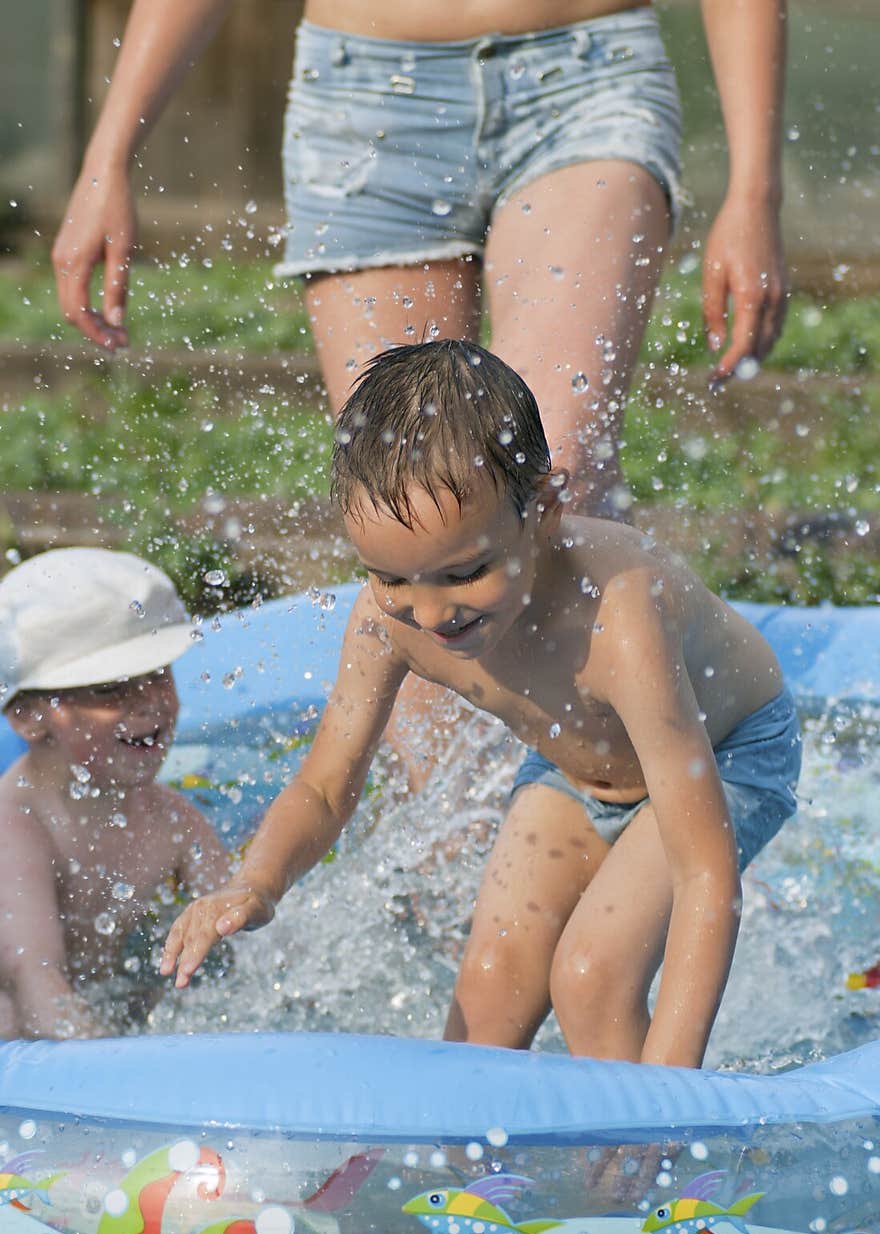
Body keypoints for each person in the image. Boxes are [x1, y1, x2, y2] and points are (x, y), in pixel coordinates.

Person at [50, 1, 788, 785]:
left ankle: (638, 817)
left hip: (585, 77)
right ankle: (444, 865)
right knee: (410, 508)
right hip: (363, 98)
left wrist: (755, 191)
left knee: (548, 467)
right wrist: (108, 159)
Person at [160, 339, 801, 1071]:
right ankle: (466, 1174)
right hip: (577, 763)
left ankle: (642, 1162)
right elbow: (324, 784)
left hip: (727, 752)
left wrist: (673, 1097)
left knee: (590, 976)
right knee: (492, 988)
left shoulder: (617, 621)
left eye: (467, 571)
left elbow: (702, 872)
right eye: (391, 577)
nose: (431, 613)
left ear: (546, 511)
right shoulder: (387, 621)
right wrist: (255, 882)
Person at [0, 547, 231, 1039]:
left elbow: (255, 942)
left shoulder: (172, 820)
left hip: (114, 1014)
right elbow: (35, 979)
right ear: (29, 715)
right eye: (110, 687)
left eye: (158, 673)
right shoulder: (15, 825)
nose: (149, 702)